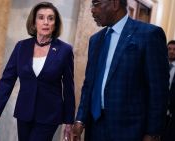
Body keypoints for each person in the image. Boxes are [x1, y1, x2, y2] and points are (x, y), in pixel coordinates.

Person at [72, 0, 169, 141]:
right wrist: (80, 119)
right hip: (94, 128)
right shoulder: (95, 40)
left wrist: (153, 133)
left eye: (96, 4)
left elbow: (158, 91)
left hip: (129, 131)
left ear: (115, 4)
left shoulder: (149, 35)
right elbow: (89, 85)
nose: (92, 10)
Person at [0, 2, 75, 141]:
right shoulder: (21, 47)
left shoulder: (65, 50)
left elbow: (69, 88)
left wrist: (69, 121)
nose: (46, 22)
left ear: (55, 24)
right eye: (41, 17)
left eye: (50, 18)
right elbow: (7, 81)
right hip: (24, 112)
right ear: (34, 22)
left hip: (49, 115)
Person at [162, 40, 175, 141]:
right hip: (158, 108)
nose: (171, 51)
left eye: (174, 49)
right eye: (169, 49)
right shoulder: (160, 65)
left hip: (171, 112)